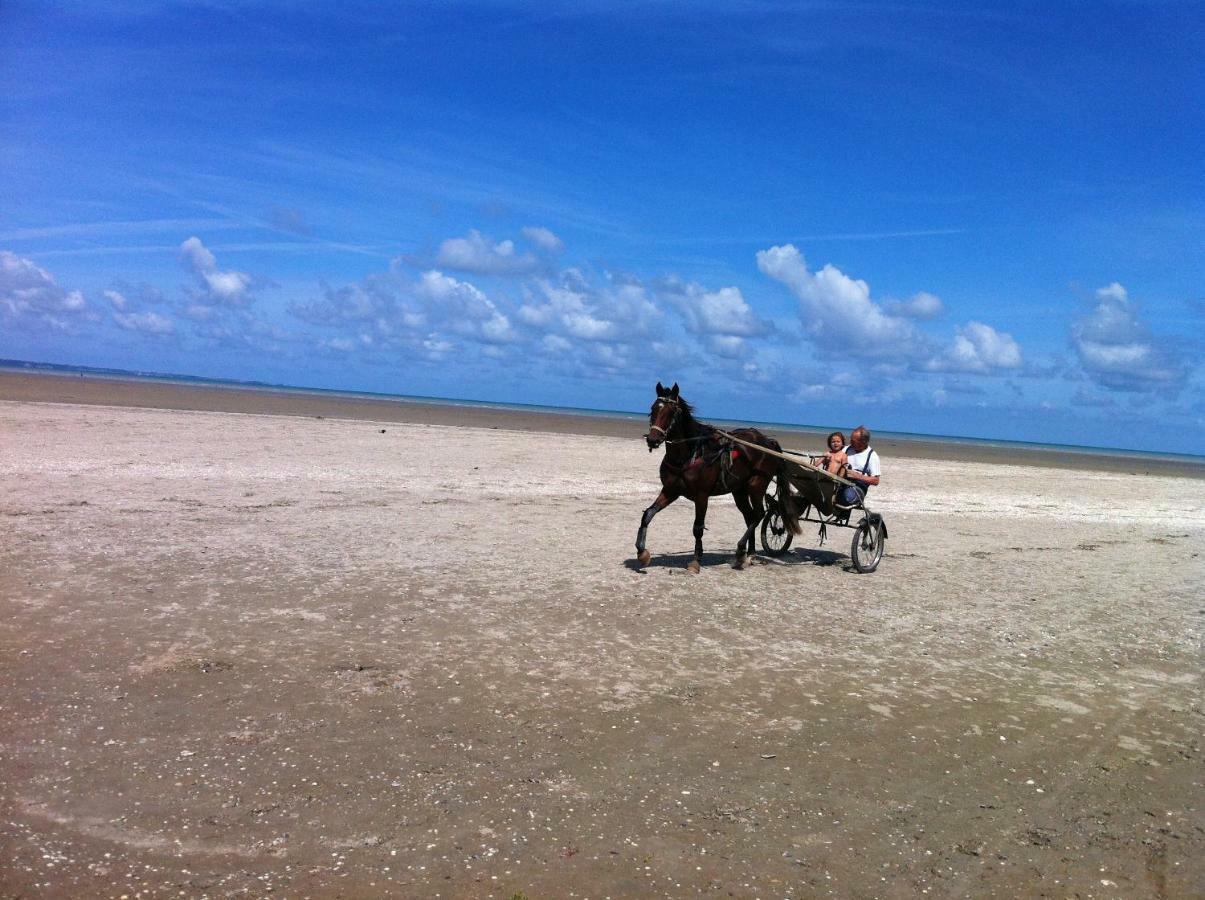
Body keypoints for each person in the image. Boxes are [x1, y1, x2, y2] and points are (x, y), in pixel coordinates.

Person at [836, 425, 881, 507]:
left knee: (846, 496)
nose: (850, 443)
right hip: (840, 483)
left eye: (853, 441)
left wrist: (857, 476)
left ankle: (840, 514)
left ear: (863, 443)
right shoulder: (846, 449)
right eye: (851, 440)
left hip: (857, 488)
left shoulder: (872, 456)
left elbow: (876, 481)